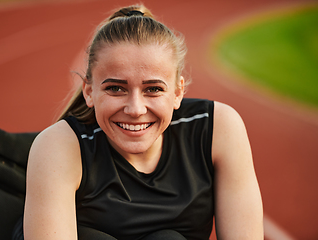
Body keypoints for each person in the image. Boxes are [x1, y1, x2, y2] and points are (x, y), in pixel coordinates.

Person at [18, 4, 263, 240]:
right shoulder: (59, 147)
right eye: (116, 88)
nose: (135, 109)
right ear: (89, 91)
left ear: (178, 93)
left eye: (154, 89)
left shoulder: (217, 128)